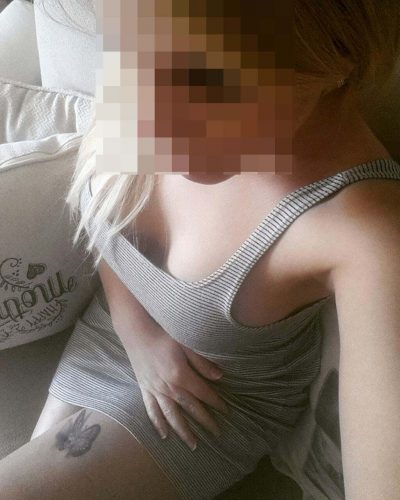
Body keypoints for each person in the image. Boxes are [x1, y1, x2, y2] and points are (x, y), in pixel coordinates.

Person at [0, 1, 399, 499]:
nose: (149, 125)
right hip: (114, 333)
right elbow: (106, 216)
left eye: (208, 83)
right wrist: (135, 330)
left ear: (335, 52)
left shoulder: (365, 233)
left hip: (200, 406)